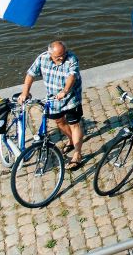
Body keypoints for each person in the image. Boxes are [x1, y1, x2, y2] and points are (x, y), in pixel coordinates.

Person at [20, 41, 84, 170]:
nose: (61, 58)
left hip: (71, 97)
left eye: (63, 54)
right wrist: (25, 92)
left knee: (74, 124)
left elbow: (72, 76)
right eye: (58, 56)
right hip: (53, 98)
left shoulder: (71, 58)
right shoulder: (42, 58)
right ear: (50, 54)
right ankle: (72, 140)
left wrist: (65, 91)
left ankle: (77, 154)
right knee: (59, 121)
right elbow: (30, 74)